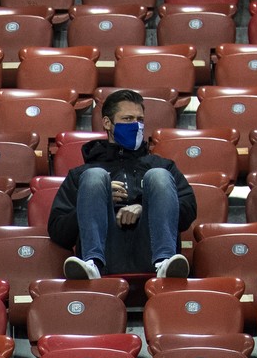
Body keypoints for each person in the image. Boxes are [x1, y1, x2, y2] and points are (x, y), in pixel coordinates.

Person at [47, 88, 196, 280]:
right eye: (128, 119)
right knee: (94, 177)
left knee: (158, 176)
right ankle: (92, 263)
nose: (136, 125)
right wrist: (96, 204)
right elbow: (59, 232)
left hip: (150, 251)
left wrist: (145, 207)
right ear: (107, 123)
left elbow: (187, 213)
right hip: (107, 255)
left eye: (140, 120)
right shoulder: (81, 174)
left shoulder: (163, 165)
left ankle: (165, 263)